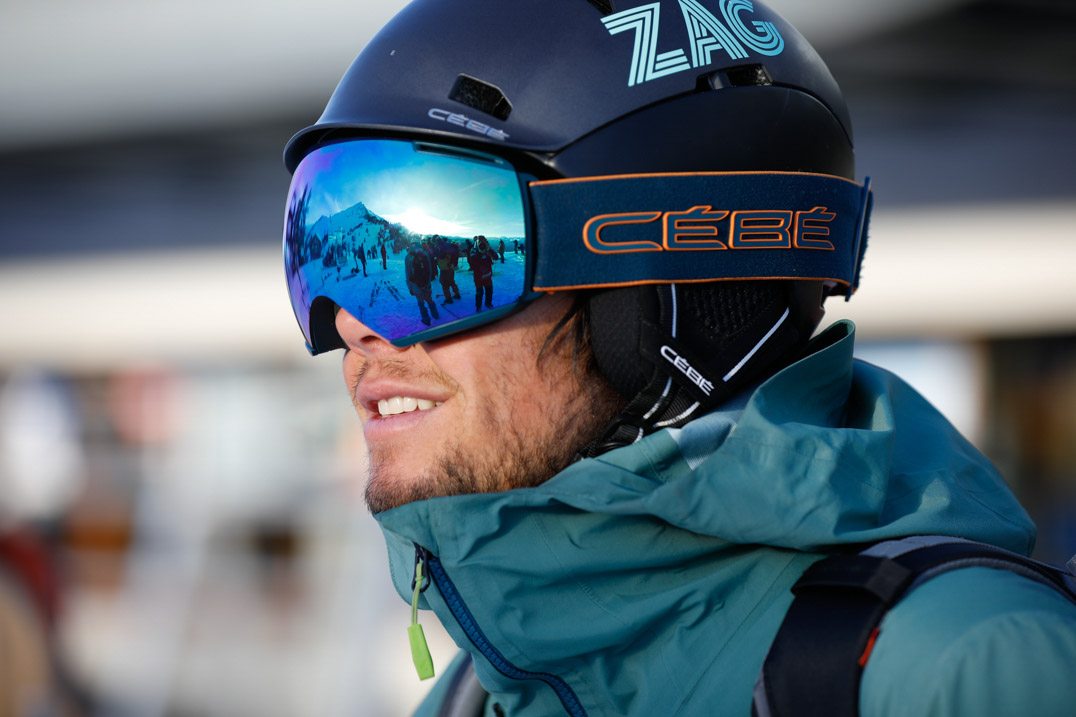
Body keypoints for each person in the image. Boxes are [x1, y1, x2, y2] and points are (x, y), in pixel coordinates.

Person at [280, 1, 1076, 715]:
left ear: (663, 292)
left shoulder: (965, 669)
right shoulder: (481, 692)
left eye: (430, 255)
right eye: (315, 255)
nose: (352, 324)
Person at [404, 240, 439, 326]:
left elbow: (408, 274)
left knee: (421, 303)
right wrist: (428, 282)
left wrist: (410, 288)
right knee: (429, 299)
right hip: (426, 282)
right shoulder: (425, 254)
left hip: (415, 284)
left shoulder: (408, 257)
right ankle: (435, 315)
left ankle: (426, 320)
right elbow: (430, 270)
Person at [467, 236, 497, 311]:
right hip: (478, 276)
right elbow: (472, 262)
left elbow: (496, 257)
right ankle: (478, 307)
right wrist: (481, 254)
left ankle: (488, 303)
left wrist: (489, 250)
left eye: (484, 242)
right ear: (477, 242)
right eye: (480, 242)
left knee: (489, 291)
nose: (482, 244)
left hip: (487, 275)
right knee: (479, 292)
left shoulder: (488, 249)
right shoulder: (474, 250)